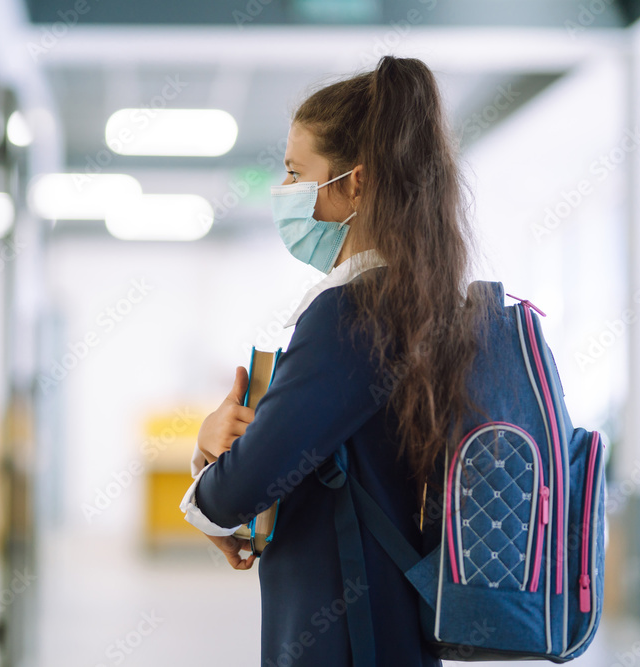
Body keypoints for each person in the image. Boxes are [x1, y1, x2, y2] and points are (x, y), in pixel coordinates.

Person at [179, 55, 494, 666]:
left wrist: (209, 477)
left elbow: (248, 482)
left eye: (298, 174)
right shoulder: (422, 299)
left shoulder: (351, 312)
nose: (286, 192)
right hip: (390, 618)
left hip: (346, 632)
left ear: (355, 181)